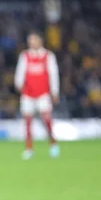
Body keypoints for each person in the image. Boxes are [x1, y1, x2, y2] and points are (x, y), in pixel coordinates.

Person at [14, 32, 60, 160]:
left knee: (47, 120)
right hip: (28, 93)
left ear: (40, 41)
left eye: (34, 40)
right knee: (27, 121)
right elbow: (20, 72)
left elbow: (53, 74)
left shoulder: (48, 56)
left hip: (43, 93)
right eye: (30, 40)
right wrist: (18, 84)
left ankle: (53, 144)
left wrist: (54, 91)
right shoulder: (25, 56)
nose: (31, 42)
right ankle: (29, 149)